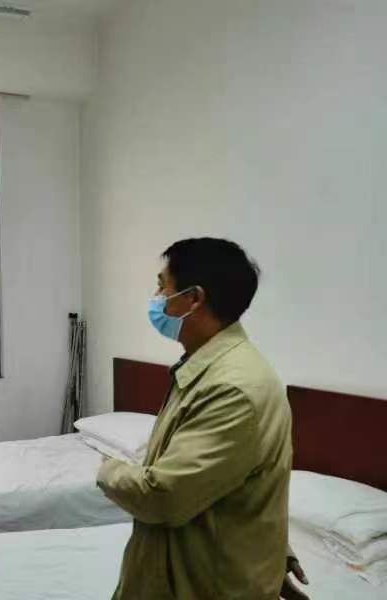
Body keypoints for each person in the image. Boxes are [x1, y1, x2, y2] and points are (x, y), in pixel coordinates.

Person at [97, 237, 310, 599]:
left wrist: (107, 470)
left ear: (193, 298)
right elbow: (237, 487)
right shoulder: (206, 369)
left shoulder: (232, 388)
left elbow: (163, 497)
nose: (156, 297)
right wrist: (272, 554)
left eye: (162, 286)